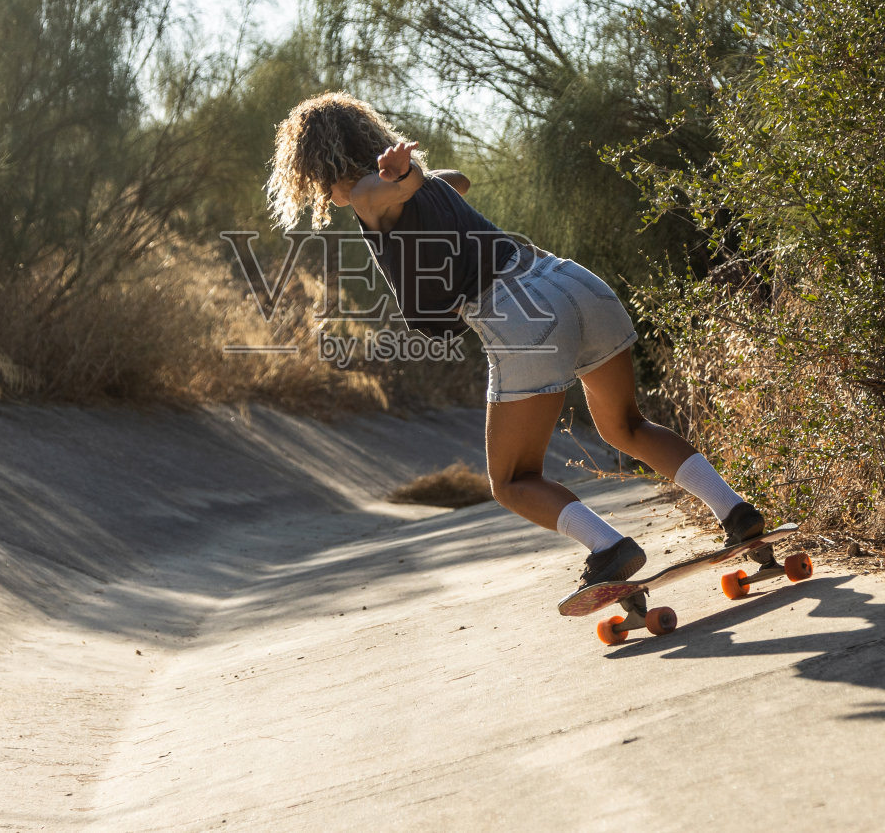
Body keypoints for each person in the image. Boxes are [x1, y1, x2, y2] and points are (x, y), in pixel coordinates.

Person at [266, 92, 765, 589]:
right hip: (571, 282)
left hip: (520, 313)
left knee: (510, 481)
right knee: (627, 427)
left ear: (321, 162)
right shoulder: (419, 189)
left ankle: (610, 547)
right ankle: (735, 511)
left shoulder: (366, 195)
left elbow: (404, 186)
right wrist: (415, 178)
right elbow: (455, 180)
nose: (315, 190)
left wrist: (403, 176)